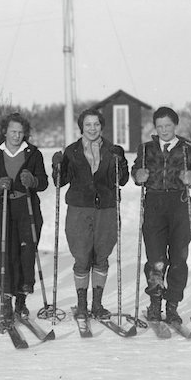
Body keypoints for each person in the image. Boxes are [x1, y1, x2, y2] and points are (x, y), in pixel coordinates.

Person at [52, 107, 129, 320]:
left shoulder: (113, 150)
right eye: (88, 124)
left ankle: (97, 304)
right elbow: (60, 182)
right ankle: (81, 305)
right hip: (79, 210)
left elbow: (122, 180)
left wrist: (120, 161)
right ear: (81, 127)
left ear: (101, 126)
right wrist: (57, 166)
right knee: (82, 256)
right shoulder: (71, 151)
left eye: (96, 124)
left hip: (107, 209)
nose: (92, 128)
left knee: (102, 255)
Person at [130, 106, 191, 326]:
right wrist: (138, 175)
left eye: (167, 126)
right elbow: (135, 172)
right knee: (156, 261)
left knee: (179, 261)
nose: (163, 130)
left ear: (175, 125)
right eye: (159, 126)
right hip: (154, 206)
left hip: (179, 206)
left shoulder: (188, 150)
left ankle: (172, 307)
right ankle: (154, 303)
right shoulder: (145, 149)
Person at [0, 112, 48, 322]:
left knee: (26, 252)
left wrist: (33, 181)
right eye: (13, 132)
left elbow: (44, 182)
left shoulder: (33, 154)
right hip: (4, 205)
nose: (17, 136)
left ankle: (21, 301)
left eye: (20, 132)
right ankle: (6, 302)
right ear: (5, 132)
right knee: (5, 252)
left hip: (27, 206)